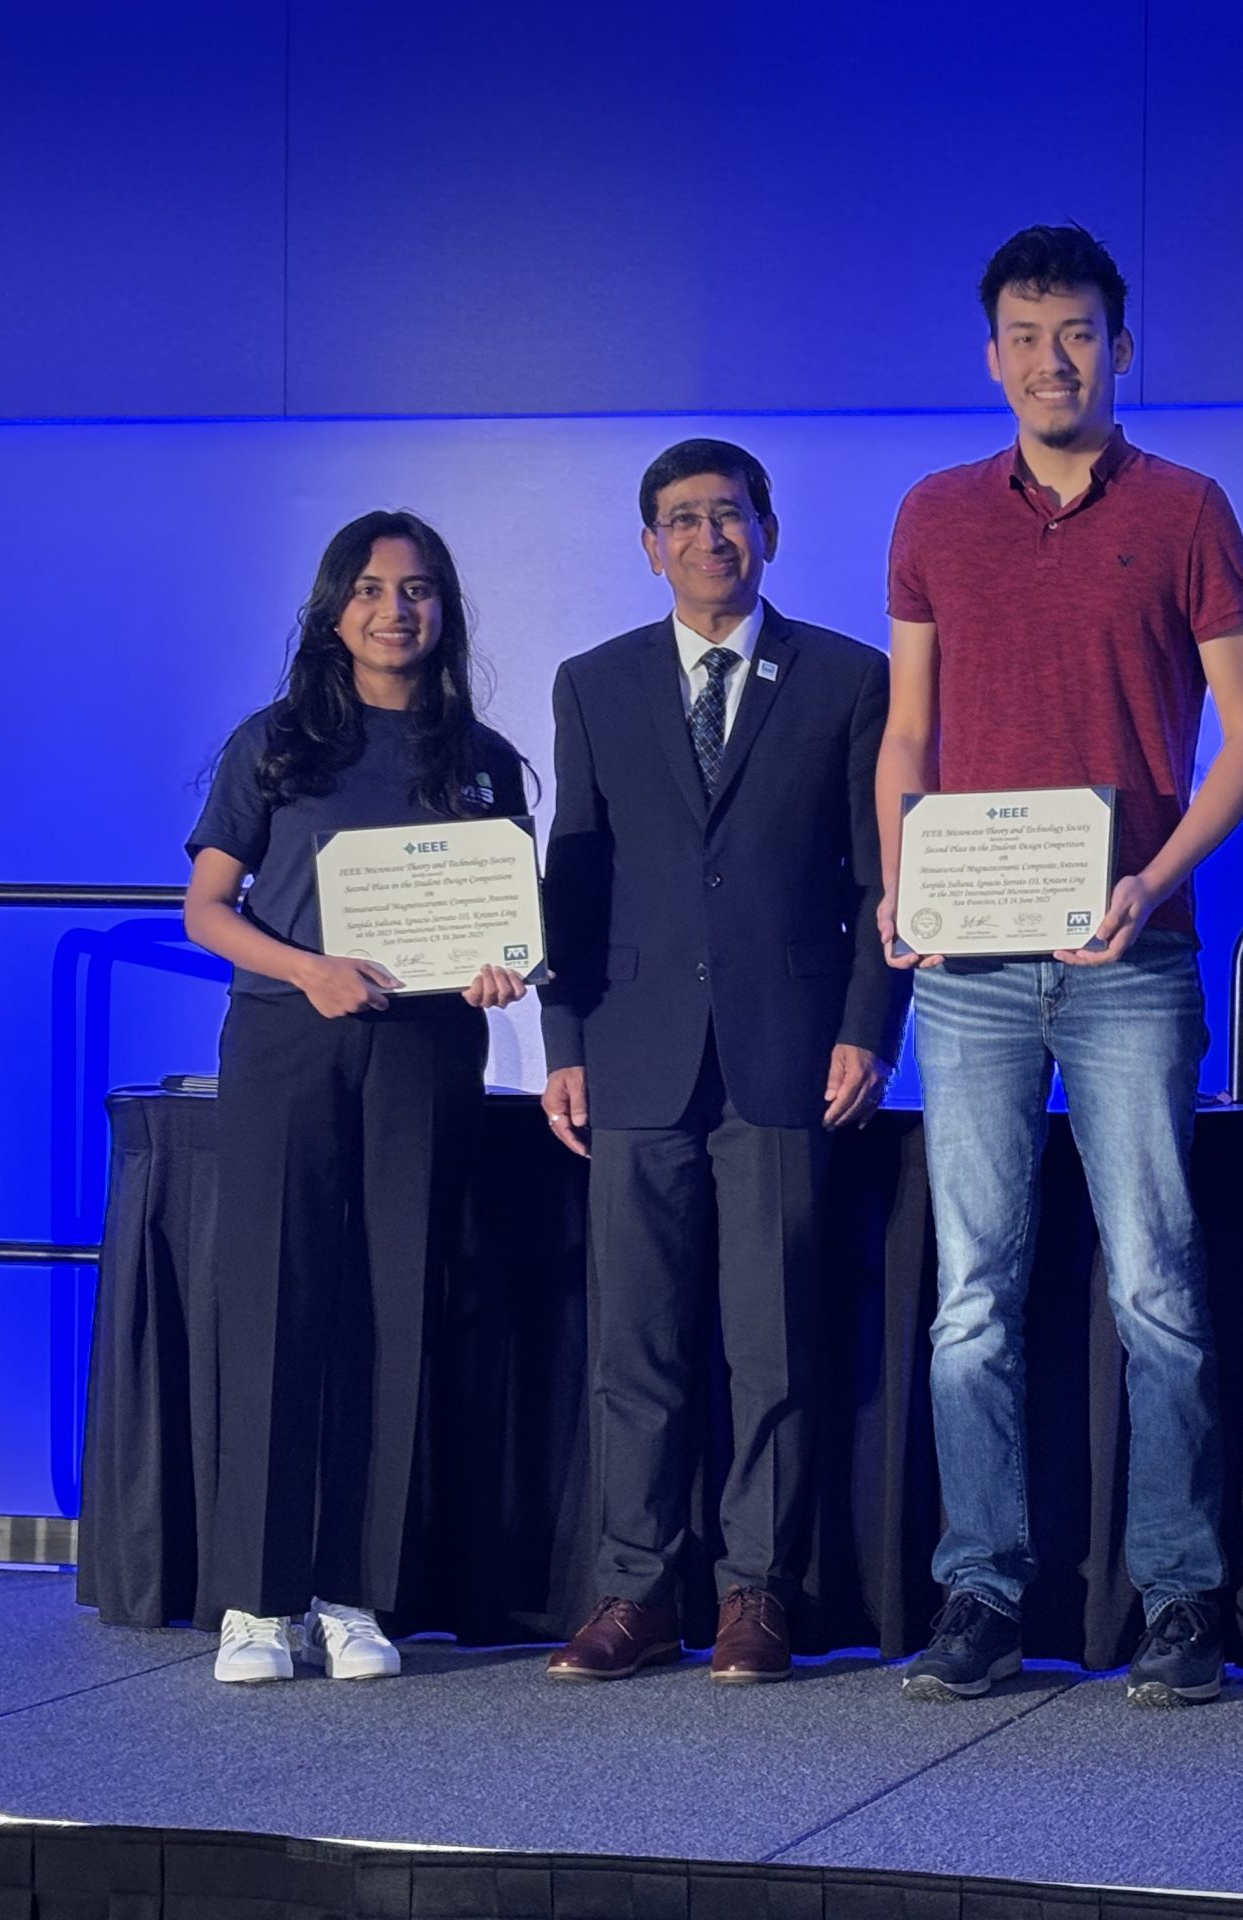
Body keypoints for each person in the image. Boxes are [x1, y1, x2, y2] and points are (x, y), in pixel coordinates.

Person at [877, 224, 1243, 1706]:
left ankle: (1182, 1601)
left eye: (1083, 334)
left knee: (1157, 1292)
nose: (1057, 360)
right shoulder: (931, 513)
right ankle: (979, 1593)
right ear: (992, 356)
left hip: (1131, 957)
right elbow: (908, 734)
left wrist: (1157, 879)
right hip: (966, 965)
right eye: (1030, 336)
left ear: (1122, 345)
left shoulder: (1185, 509)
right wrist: (897, 884)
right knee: (971, 1295)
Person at [540, 438, 906, 1683]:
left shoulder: (852, 677)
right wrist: (563, 1040)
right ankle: (635, 1594)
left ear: (770, 530)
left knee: (776, 1346)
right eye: (684, 521)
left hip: (790, 1056)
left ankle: (758, 1594)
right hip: (633, 1056)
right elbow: (571, 875)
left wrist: (868, 1025)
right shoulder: (591, 683)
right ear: (650, 547)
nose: (711, 537)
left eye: (731, 515)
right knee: (632, 1347)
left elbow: (876, 880)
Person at [184, 510, 530, 1684]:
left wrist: (504, 969)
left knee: (394, 1309)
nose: (399, 610)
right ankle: (259, 1600)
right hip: (290, 1040)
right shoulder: (277, 743)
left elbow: (510, 924)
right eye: (376, 589)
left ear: (445, 613)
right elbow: (207, 909)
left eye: (421, 590)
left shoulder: (478, 755)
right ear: (336, 609)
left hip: (425, 1050)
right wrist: (309, 968)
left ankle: (354, 1596)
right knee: (277, 1305)